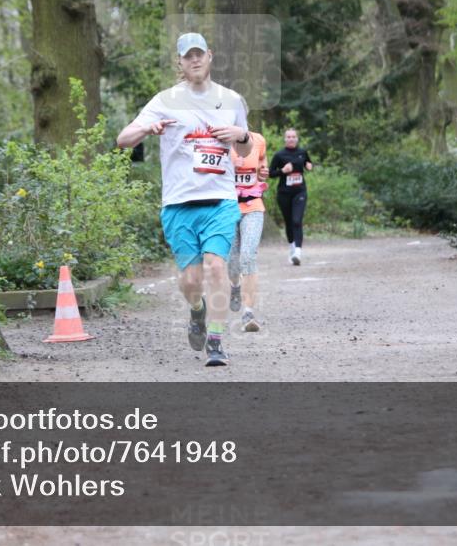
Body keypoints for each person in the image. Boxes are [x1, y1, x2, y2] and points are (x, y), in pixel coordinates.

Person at [116, 32, 252, 367]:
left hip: (219, 199)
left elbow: (247, 149)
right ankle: (197, 311)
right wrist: (149, 129)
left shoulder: (231, 100)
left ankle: (216, 341)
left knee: (216, 267)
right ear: (179, 62)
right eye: (187, 56)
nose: (194, 60)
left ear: (210, 56)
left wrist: (242, 135)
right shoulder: (164, 100)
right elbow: (123, 139)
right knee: (191, 280)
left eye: (199, 54)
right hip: (178, 204)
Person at [228, 132, 269, 332]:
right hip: (226, 209)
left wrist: (263, 173)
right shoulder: (219, 139)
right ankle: (235, 286)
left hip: (253, 207)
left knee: (248, 256)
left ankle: (248, 313)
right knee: (231, 262)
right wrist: (228, 168)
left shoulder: (258, 140)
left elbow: (262, 165)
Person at [269, 128, 313, 265]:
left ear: (297, 139)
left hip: (300, 192)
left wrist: (309, 165)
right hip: (284, 194)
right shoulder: (279, 155)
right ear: (285, 139)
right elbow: (270, 173)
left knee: (296, 220)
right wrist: (282, 171)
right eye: (288, 137)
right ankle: (292, 247)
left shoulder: (302, 152)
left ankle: (298, 252)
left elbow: (308, 163)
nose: (291, 139)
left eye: (293, 136)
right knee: (289, 222)